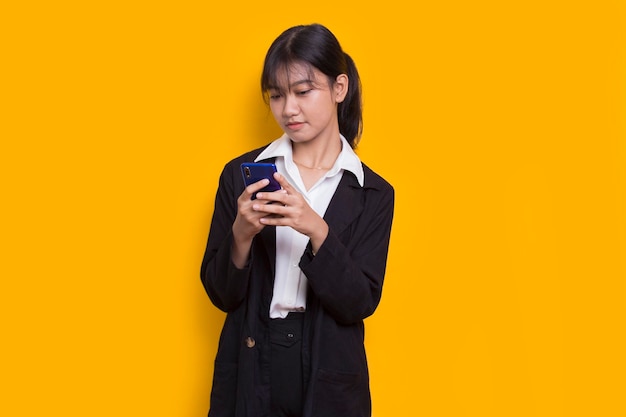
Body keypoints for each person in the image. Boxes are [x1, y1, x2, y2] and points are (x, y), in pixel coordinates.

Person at [201, 23, 394, 417]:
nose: (288, 109)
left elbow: (359, 301)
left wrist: (315, 227)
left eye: (303, 91)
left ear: (339, 88)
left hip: (328, 364)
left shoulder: (372, 192)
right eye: (277, 96)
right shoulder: (241, 174)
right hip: (253, 355)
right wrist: (241, 232)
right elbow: (222, 295)